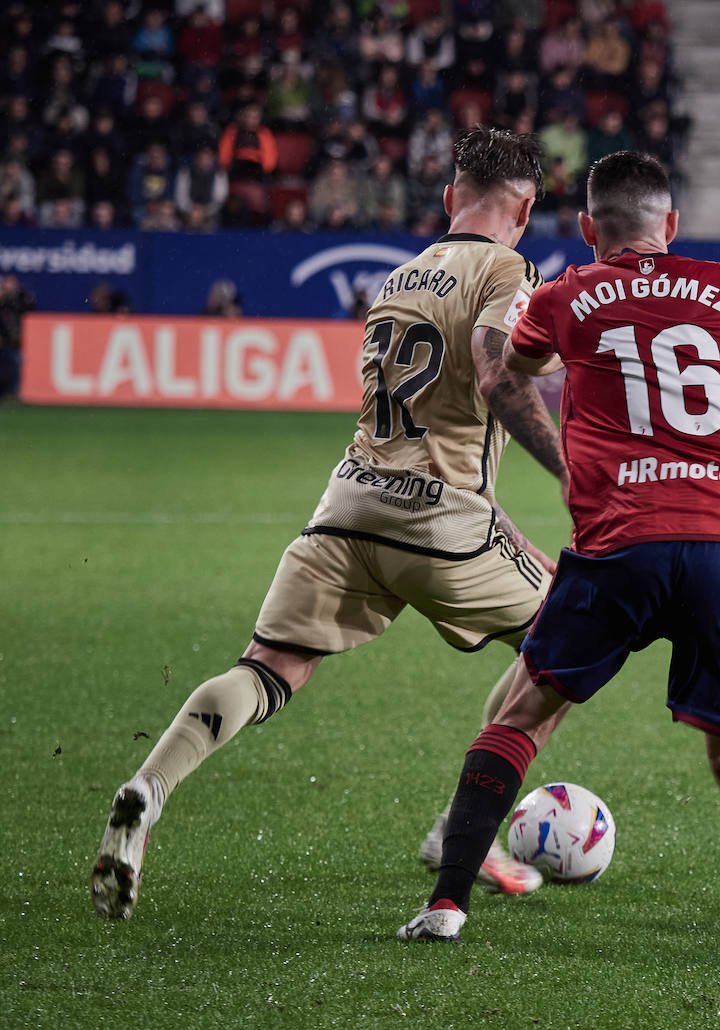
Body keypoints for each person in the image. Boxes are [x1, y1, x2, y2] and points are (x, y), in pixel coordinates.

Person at [398, 151, 720, 943]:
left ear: (587, 227)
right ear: (672, 223)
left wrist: (560, 415)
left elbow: (511, 371)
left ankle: (447, 904)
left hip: (621, 541)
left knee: (522, 714)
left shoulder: (565, 294)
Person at [91, 127, 568, 920]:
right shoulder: (510, 272)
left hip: (347, 509)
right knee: (572, 644)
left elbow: (418, 435)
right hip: (440, 523)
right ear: (523, 210)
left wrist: (507, 531)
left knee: (268, 666)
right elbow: (499, 372)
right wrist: (573, 472)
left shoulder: (398, 279)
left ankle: (150, 785)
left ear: (449, 197)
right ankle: (462, 830)